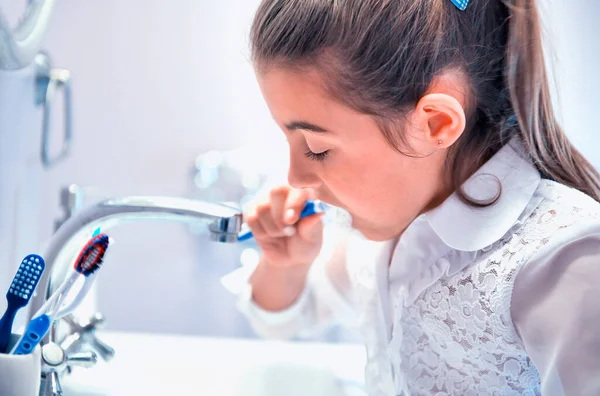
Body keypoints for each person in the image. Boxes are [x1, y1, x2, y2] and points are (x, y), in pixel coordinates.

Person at [225, 0, 600, 394]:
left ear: (435, 123)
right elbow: (280, 321)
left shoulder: (564, 259)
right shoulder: (382, 230)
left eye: (317, 147)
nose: (296, 178)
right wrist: (287, 263)